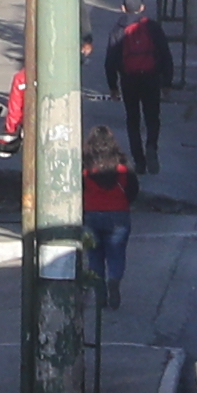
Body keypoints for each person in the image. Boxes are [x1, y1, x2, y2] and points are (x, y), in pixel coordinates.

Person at [104, 2, 175, 168]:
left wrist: (113, 86)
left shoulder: (118, 30)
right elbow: (165, 54)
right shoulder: (152, 27)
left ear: (123, 8)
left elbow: (110, 61)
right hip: (151, 78)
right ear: (142, 7)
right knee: (152, 117)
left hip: (129, 80)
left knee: (133, 120)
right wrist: (167, 82)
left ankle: (139, 160)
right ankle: (151, 147)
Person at [82, 127, 135, 303]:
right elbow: (133, 189)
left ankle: (100, 293)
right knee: (116, 254)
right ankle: (114, 280)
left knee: (94, 255)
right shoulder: (122, 166)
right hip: (118, 214)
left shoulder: (85, 166)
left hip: (91, 214)